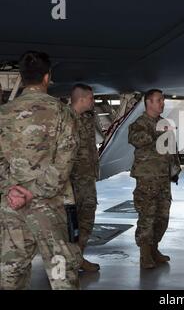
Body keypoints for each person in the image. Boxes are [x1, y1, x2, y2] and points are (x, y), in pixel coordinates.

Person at [0, 51, 82, 289]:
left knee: (11, 270)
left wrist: (13, 190)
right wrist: (34, 192)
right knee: (61, 272)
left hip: (10, 204)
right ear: (47, 77)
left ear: (22, 78)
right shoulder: (63, 113)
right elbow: (64, 162)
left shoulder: (4, 114)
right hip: (50, 206)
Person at [128, 89, 180, 269]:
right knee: (147, 216)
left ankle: (154, 248)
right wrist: (159, 131)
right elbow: (137, 139)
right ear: (148, 103)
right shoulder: (139, 123)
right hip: (147, 178)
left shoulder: (164, 123)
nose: (162, 104)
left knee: (162, 216)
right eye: (158, 100)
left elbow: (171, 149)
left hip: (163, 178)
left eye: (163, 100)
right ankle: (145, 254)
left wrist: (175, 169)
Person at [70, 83, 100, 272]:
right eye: (91, 98)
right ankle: (66, 263)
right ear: (81, 99)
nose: (93, 101)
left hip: (87, 179)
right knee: (67, 223)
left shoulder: (88, 118)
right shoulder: (64, 118)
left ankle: (78, 257)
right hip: (69, 181)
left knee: (86, 219)